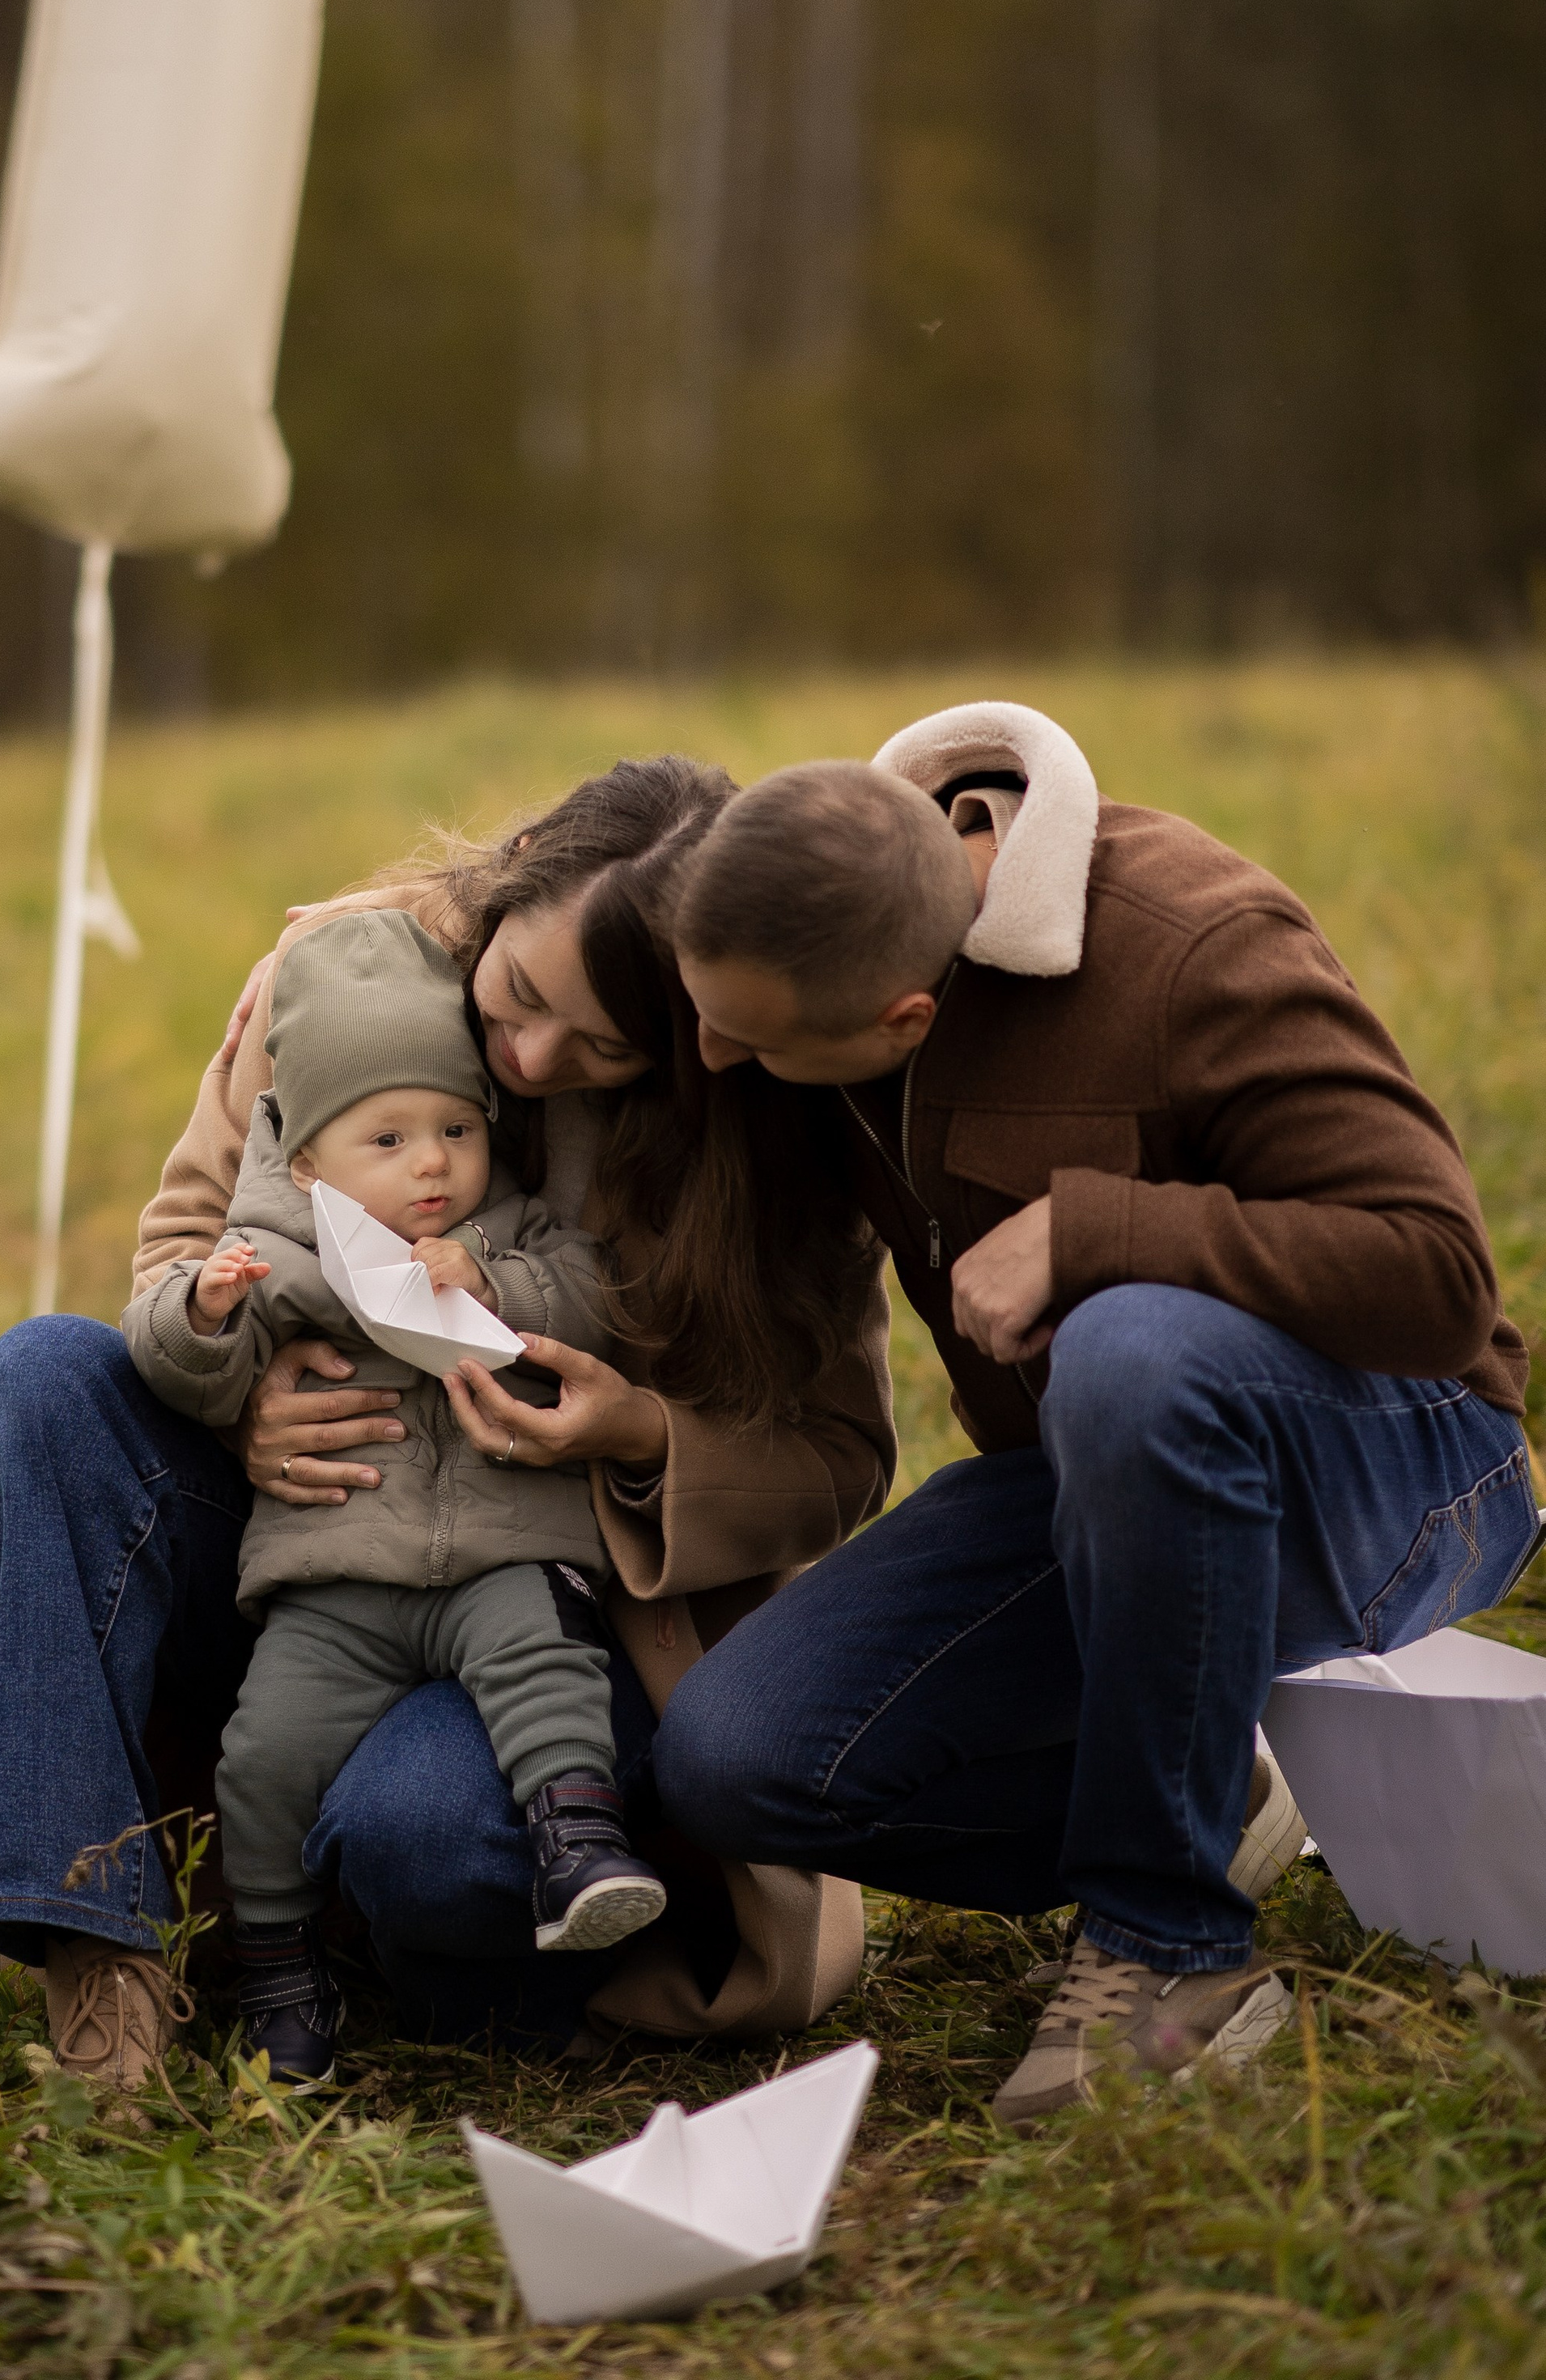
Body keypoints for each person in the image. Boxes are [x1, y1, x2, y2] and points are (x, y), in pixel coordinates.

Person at [0, 756, 889, 2093]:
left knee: (425, 1839)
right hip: (305, 1554)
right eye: (520, 996)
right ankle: (97, 1931)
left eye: (604, 1048)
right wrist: (240, 1388)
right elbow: (182, 1243)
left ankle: (385, 1918)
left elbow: (840, 1458)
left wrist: (638, 1436)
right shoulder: (344, 982)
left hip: (539, 1602)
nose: (531, 1058)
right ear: (505, 894)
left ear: (699, 1038)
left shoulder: (763, 1117)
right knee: (32, 1384)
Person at [654, 700, 1540, 2125]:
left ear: (904, 1020)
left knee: (1130, 1344)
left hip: (1404, 1466)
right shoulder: (822, 904)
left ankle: (1173, 1947)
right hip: (1095, 1491)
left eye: (748, 1042)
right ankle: (1208, 1792)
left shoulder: (1195, 943)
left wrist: (1098, 1230)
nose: (708, 1054)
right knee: (736, 1759)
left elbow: (1439, 1277)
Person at [126, 906, 668, 2085]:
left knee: (546, 1659)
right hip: (334, 1579)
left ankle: (579, 1839)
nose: (434, 1162)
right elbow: (179, 1367)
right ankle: (275, 1956)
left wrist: (493, 1273)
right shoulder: (276, 1245)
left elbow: (593, 1293)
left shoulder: (507, 1222)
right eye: (391, 1138)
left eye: (456, 1127)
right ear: (310, 1159)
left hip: (504, 1551)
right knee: (264, 1755)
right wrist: (209, 1314)